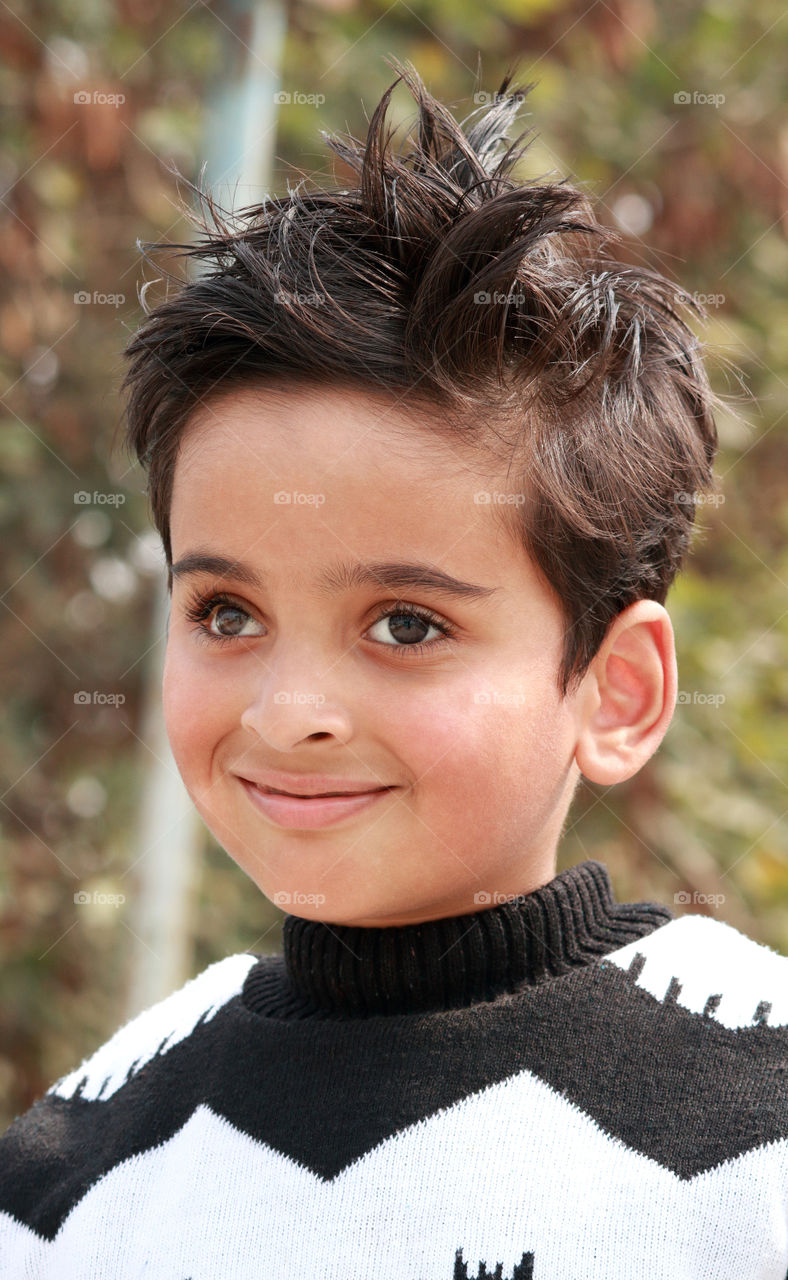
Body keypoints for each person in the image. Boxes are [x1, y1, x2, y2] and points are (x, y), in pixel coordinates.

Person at [1, 55, 786, 1280]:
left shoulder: (758, 1129)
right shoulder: (72, 1174)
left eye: (405, 625)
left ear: (616, 690)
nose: (287, 710)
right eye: (224, 611)